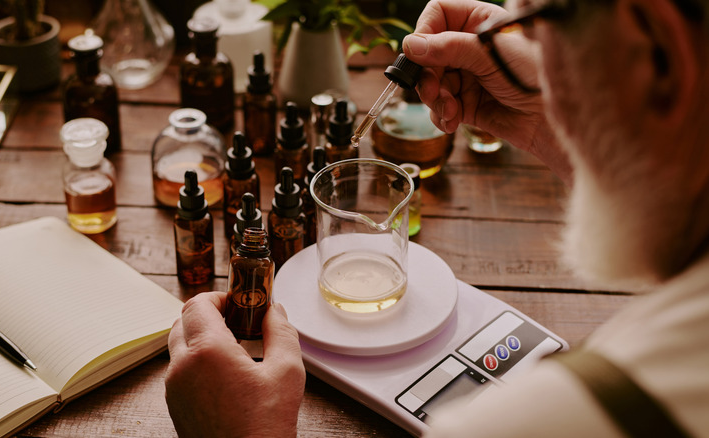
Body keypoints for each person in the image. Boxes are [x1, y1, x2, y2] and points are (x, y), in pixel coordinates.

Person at [165, 0, 709, 436]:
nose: (535, 62)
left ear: (657, 52)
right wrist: (562, 125)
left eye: (537, 28)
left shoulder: (555, 418)